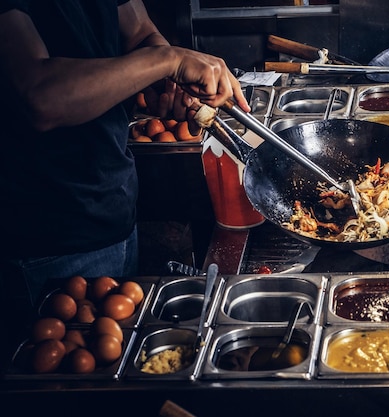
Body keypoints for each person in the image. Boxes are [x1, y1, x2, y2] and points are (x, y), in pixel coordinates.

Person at [0, 0, 251, 305]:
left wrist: (169, 80)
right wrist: (170, 60)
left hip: (114, 203)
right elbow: (39, 96)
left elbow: (140, 32)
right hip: (45, 234)